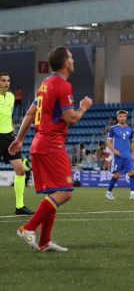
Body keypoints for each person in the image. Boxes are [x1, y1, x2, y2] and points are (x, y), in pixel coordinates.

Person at [11, 46, 93, 252]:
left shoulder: (45, 85)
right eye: (72, 58)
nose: (74, 61)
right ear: (65, 63)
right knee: (65, 192)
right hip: (51, 144)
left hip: (38, 143)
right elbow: (70, 118)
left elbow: (30, 114)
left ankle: (44, 241)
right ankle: (28, 228)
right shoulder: (63, 86)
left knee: (55, 193)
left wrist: (20, 139)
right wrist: (83, 107)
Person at [0, 72, 34, 215]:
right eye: (3, 81)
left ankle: (20, 206)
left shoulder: (11, 97)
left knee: (20, 170)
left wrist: (15, 135)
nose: (6, 83)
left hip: (9, 138)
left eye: (8, 80)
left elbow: (9, 117)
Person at [105, 110, 134, 200]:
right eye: (121, 116)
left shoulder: (130, 129)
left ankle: (132, 194)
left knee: (132, 173)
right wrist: (114, 150)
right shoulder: (113, 128)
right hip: (118, 155)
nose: (122, 118)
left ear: (126, 118)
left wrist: (133, 154)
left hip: (127, 155)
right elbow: (108, 141)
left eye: (124, 116)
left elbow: (132, 142)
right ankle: (108, 192)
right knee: (116, 175)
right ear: (117, 118)